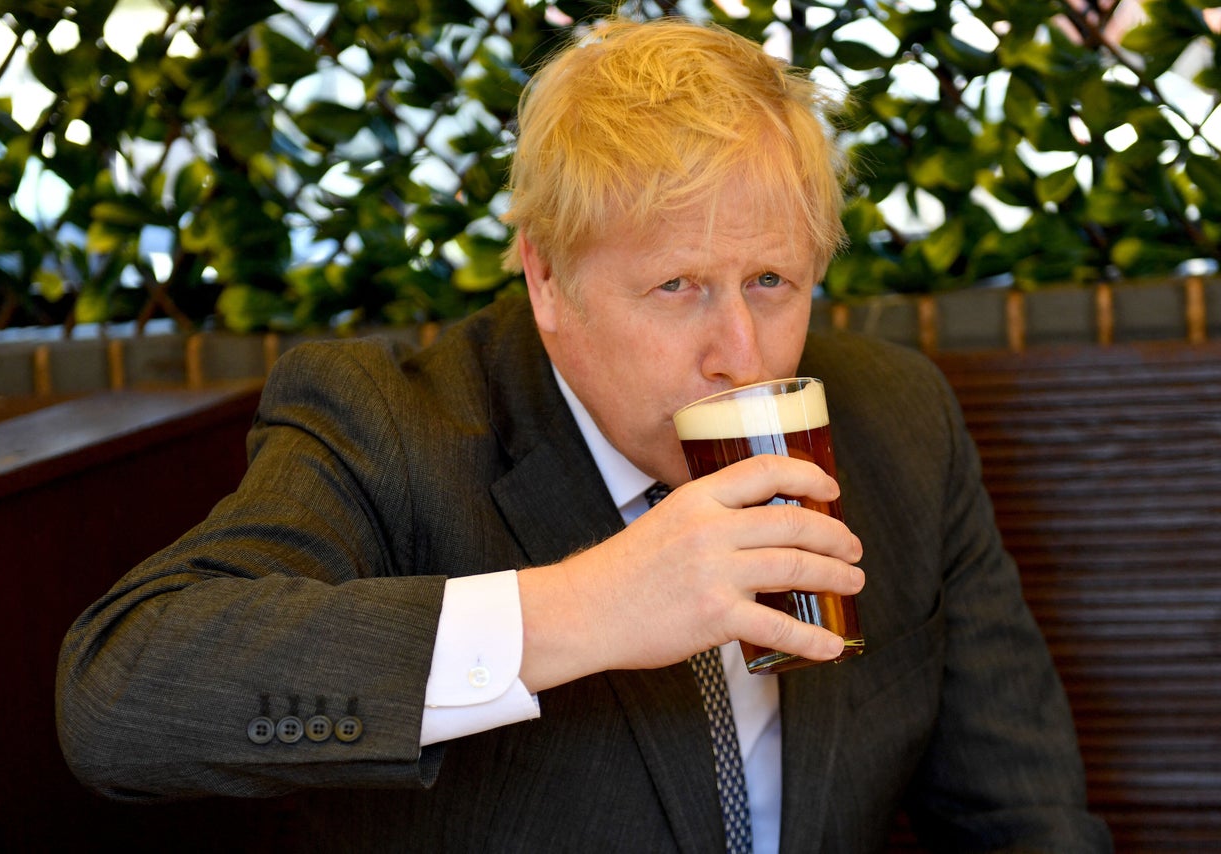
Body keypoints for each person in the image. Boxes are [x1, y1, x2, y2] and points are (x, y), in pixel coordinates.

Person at [56, 17, 1111, 853]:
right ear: (546, 277)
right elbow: (121, 699)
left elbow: (1021, 817)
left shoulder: (893, 417)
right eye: (676, 285)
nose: (741, 354)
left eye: (770, 281)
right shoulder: (393, 420)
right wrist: (583, 606)